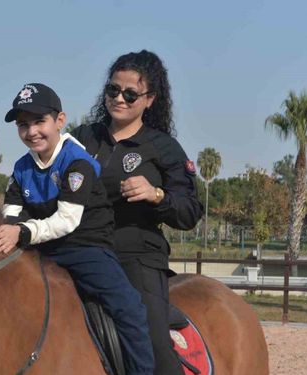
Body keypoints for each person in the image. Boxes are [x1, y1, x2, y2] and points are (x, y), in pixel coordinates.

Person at [0, 83, 155, 375]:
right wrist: (9, 231)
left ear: (60, 120)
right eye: (23, 125)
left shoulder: (77, 162)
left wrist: (22, 233)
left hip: (85, 248)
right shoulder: (20, 168)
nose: (32, 132)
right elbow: (12, 213)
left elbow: (67, 221)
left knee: (131, 309)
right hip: (41, 249)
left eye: (39, 122)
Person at [71, 51, 203, 375]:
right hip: (78, 250)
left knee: (154, 348)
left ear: (150, 100)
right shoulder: (82, 138)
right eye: (113, 90)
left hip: (135, 257)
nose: (119, 99)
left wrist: (155, 194)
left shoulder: (163, 147)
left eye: (131, 94)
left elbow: (190, 211)